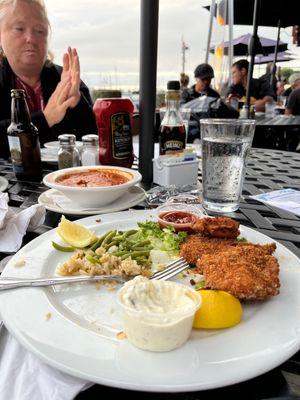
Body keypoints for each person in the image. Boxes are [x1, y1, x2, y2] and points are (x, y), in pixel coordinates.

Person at [0, 0, 97, 160]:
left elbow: (93, 141)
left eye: (39, 30)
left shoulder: (67, 79)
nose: (31, 38)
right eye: (19, 29)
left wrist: (78, 103)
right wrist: (45, 119)